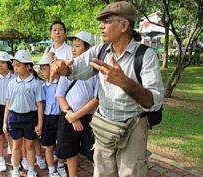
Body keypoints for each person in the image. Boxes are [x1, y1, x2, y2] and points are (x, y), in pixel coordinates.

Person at [49, 1, 164, 177]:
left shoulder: (145, 55)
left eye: (107, 21)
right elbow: (76, 68)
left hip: (133, 126)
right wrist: (64, 69)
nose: (101, 26)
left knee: (130, 173)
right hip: (104, 125)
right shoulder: (100, 50)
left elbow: (154, 101)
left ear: (124, 25)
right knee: (102, 173)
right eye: (101, 21)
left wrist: (124, 82)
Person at [53, 31, 98, 177]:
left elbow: (97, 98)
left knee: (94, 153)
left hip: (90, 118)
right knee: (69, 149)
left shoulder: (96, 69)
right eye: (73, 45)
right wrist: (71, 115)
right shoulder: (67, 67)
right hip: (69, 115)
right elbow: (60, 95)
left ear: (89, 48)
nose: (73, 49)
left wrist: (77, 116)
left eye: (77, 46)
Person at [3, 50, 44, 177]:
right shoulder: (11, 83)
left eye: (18, 65)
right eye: (14, 65)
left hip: (30, 118)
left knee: (30, 145)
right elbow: (8, 103)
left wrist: (40, 124)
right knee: (16, 145)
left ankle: (31, 169)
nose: (15, 68)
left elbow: (39, 105)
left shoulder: (36, 84)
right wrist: (5, 121)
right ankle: (15, 169)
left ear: (28, 66)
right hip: (14, 117)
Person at [37, 55, 66, 177]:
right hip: (48, 118)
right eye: (41, 68)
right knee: (49, 146)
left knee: (61, 143)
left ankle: (60, 165)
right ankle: (51, 170)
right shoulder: (42, 87)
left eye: (44, 68)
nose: (41, 71)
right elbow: (41, 105)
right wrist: (40, 124)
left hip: (60, 117)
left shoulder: (61, 83)